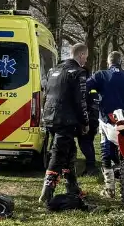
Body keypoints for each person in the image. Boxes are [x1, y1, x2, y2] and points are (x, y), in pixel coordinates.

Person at [88, 51, 124, 198]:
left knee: (106, 150)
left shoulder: (100, 75)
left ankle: (110, 188)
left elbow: (85, 88)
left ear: (109, 62)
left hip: (106, 120)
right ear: (121, 62)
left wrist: (94, 101)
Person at [39, 43, 91, 203]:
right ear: (81, 55)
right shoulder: (79, 72)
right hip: (66, 119)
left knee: (70, 151)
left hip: (50, 117)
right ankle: (47, 190)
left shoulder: (54, 70)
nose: (86, 61)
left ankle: (72, 186)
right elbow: (81, 101)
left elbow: (46, 94)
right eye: (86, 57)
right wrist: (85, 122)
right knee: (59, 153)